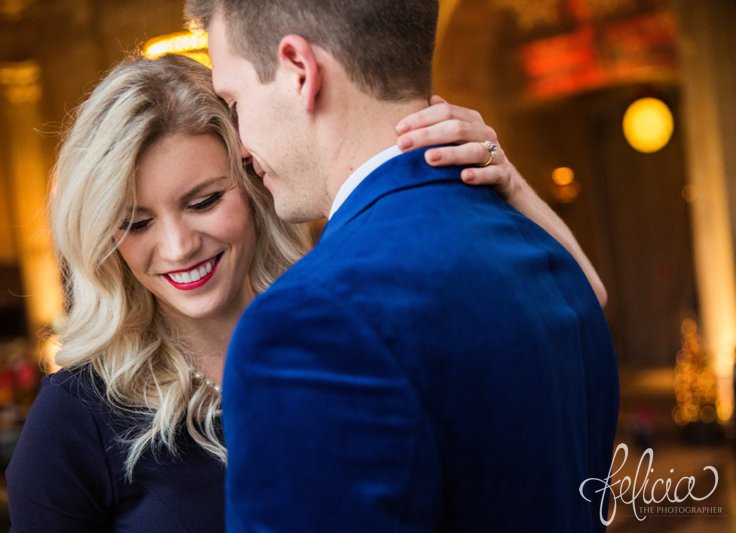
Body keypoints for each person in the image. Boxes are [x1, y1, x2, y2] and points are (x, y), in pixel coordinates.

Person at [4, 51, 597, 531]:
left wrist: (509, 180)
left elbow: (578, 306)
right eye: (137, 223)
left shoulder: (339, 320)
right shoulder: (74, 417)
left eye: (204, 200)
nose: (180, 245)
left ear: (254, 183)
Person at [187, 0, 619, 531]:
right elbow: (591, 295)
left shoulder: (304, 325)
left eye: (234, 100)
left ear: (300, 70)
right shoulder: (554, 265)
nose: (241, 142)